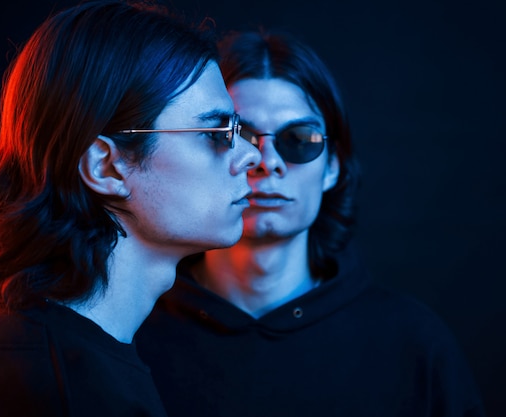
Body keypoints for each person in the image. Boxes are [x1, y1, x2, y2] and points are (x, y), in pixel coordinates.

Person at [136, 29, 487, 417]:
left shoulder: (414, 343)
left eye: (300, 138)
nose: (265, 161)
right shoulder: (129, 333)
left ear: (332, 166)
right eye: (237, 135)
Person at [0, 1, 261, 416]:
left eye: (236, 129)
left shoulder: (83, 359)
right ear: (105, 166)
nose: (251, 155)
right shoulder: (41, 383)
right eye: (215, 132)